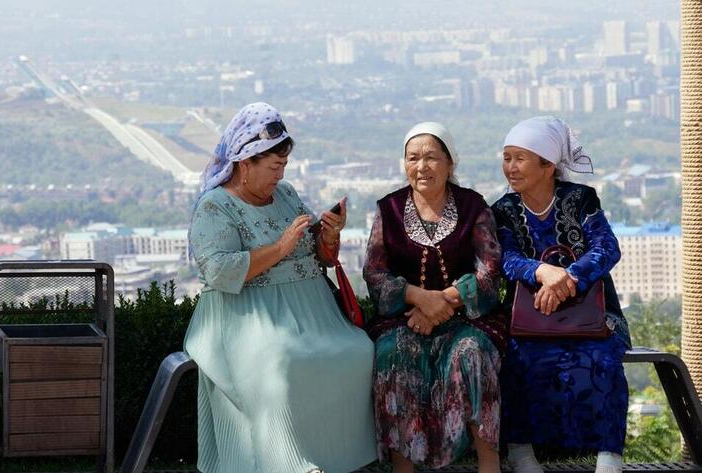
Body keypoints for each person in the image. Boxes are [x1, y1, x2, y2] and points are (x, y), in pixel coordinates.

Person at [184, 102, 376, 473]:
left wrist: (329, 235)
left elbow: (319, 255)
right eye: (274, 166)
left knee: (358, 352)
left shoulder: (286, 195)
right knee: (280, 363)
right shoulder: (215, 207)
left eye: (284, 165)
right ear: (245, 163)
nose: (281, 174)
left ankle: (334, 458)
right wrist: (279, 248)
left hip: (312, 315)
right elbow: (218, 271)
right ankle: (289, 464)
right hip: (246, 319)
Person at [363, 122, 507, 473]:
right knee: (393, 355)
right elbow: (375, 272)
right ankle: (403, 469)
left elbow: (490, 270)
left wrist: (441, 301)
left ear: (449, 162)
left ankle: (489, 466)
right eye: (413, 158)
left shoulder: (473, 207)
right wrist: (416, 297)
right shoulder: (389, 209)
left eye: (431, 157)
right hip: (404, 320)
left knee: (471, 354)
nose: (421, 166)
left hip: (466, 320)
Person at [491, 116, 631, 473]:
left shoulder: (580, 199)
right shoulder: (503, 210)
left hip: (593, 315)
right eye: (507, 158)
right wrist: (542, 271)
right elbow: (505, 258)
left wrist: (567, 277)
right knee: (514, 356)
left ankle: (609, 457)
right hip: (528, 318)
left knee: (602, 357)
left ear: (548, 165)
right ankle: (521, 453)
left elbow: (607, 247)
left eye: (520, 158)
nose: (511, 167)